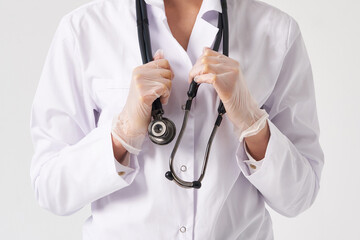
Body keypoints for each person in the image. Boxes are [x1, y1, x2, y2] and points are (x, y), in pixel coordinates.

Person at [29, 0, 324, 239]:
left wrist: (251, 121)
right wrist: (122, 133)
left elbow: (298, 196)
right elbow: (51, 188)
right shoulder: (85, 29)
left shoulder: (276, 32)